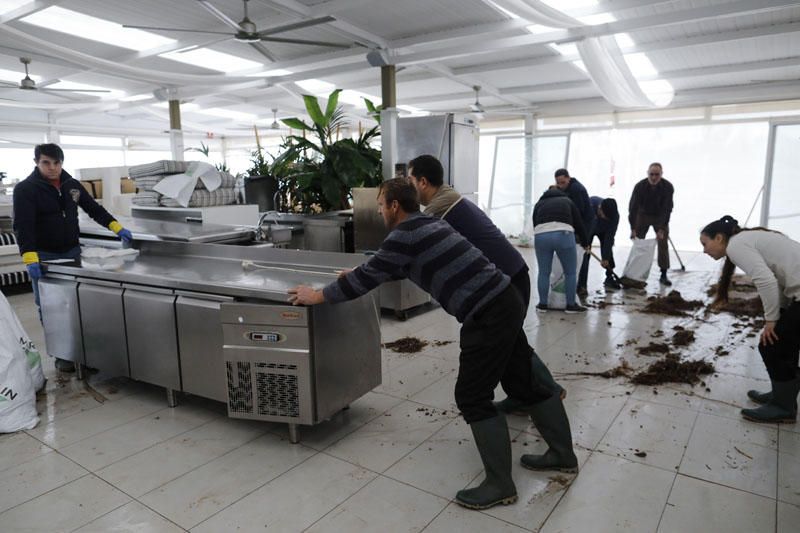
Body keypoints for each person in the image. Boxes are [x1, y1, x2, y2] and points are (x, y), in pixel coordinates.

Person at [289, 178, 577, 511]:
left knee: (472, 395)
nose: (380, 210)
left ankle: (500, 484)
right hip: (504, 298)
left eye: (381, 204)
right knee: (522, 380)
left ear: (394, 205)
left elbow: (370, 276)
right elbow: (397, 266)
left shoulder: (404, 234)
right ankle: (562, 454)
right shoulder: (425, 223)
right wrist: (357, 272)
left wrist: (318, 295)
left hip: (486, 311)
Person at [408, 154, 576, 469]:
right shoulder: (452, 199)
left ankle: (548, 395)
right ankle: (533, 399)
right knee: (513, 348)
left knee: (511, 351)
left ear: (422, 182)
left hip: (503, 282)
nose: (409, 186)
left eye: (410, 180)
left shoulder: (437, 209)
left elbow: (412, 243)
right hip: (510, 274)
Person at [13, 143, 133, 373]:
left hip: (72, 252)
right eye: (46, 163)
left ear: (62, 163)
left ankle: (84, 352)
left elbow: (94, 210)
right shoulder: (26, 190)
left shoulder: (72, 186)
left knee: (78, 303)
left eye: (56, 163)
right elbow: (23, 227)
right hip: (45, 256)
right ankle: (61, 354)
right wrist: (30, 258)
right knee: (50, 307)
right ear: (37, 162)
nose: (52, 168)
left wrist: (118, 228)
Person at [701, 215, 800, 423]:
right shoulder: (746, 239)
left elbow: (766, 281)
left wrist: (771, 320)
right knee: (782, 342)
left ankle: (783, 406)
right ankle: (782, 395)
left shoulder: (736, 245)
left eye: (705, 243)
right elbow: (777, 277)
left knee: (771, 345)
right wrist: (780, 312)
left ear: (719, 238)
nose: (704, 250)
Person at [532, 187, 590, 313]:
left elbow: (534, 222)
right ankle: (570, 305)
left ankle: (542, 305)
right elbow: (579, 223)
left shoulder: (540, 203)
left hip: (541, 235)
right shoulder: (567, 200)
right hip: (563, 234)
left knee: (543, 272)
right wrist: (586, 243)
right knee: (570, 272)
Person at [629, 162, 674, 286]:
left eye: (657, 175)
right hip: (642, 215)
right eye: (651, 174)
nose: (654, 177)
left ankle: (663, 273)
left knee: (663, 242)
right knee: (638, 241)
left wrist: (662, 228)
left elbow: (667, 209)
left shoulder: (668, 187)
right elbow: (632, 208)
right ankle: (633, 272)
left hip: (660, 216)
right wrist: (632, 227)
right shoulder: (639, 186)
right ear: (647, 174)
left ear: (661, 174)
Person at [577, 197, 621, 296]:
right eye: (604, 216)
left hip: (604, 231)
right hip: (588, 229)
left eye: (608, 218)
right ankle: (582, 285)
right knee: (585, 255)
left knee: (608, 251)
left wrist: (605, 258)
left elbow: (609, 238)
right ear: (600, 208)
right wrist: (585, 243)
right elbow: (582, 226)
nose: (605, 218)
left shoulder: (614, 216)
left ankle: (609, 277)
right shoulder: (589, 206)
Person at [554, 168, 594, 235]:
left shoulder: (575, 188)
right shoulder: (567, 188)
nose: (561, 186)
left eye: (563, 182)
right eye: (558, 183)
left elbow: (579, 210)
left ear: (568, 178)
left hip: (585, 222)